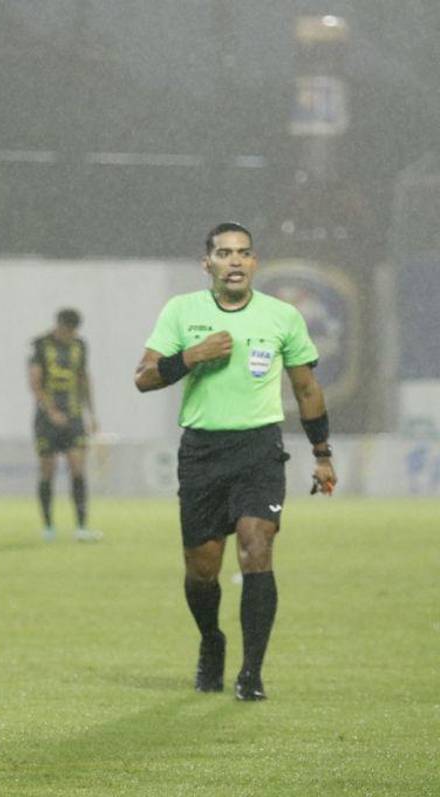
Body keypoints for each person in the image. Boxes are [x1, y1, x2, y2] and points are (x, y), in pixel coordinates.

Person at [133, 222, 337, 701]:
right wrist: (191, 356)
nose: (235, 261)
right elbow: (142, 377)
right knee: (203, 570)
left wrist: (322, 455)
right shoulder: (182, 311)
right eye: (224, 253)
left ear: (254, 262)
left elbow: (306, 388)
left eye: (243, 253)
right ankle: (211, 641)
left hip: (259, 449)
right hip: (202, 452)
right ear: (208, 263)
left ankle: (252, 672)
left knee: (256, 546)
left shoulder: (282, 317)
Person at [28, 308, 101, 542]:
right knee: (47, 470)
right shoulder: (40, 346)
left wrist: (92, 414)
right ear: (58, 325)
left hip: (74, 417)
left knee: (78, 469)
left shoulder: (80, 346)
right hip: (46, 420)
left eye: (73, 331)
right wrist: (51, 412)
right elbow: (35, 383)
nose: (69, 334)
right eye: (66, 329)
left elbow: (83, 378)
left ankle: (81, 527)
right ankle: (48, 526)